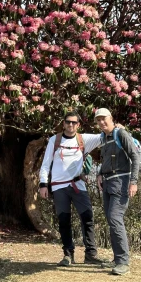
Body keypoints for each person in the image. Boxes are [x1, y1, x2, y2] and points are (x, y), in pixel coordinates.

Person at [39, 111, 104, 266]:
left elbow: (104, 135)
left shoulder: (83, 139)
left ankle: (91, 254)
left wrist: (117, 128)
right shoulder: (55, 140)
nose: (70, 125)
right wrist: (43, 184)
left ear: (78, 125)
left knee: (87, 217)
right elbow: (46, 164)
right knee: (63, 220)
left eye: (74, 122)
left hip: (78, 186)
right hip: (58, 187)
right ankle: (68, 255)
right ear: (63, 123)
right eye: (68, 122)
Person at [95, 108, 140, 276]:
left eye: (103, 119)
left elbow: (135, 157)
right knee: (111, 219)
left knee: (115, 218)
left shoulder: (120, 133)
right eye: (98, 120)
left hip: (121, 182)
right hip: (107, 183)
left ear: (111, 118)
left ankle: (123, 262)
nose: (101, 122)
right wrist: (99, 174)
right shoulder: (104, 138)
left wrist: (133, 182)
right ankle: (117, 258)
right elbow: (105, 160)